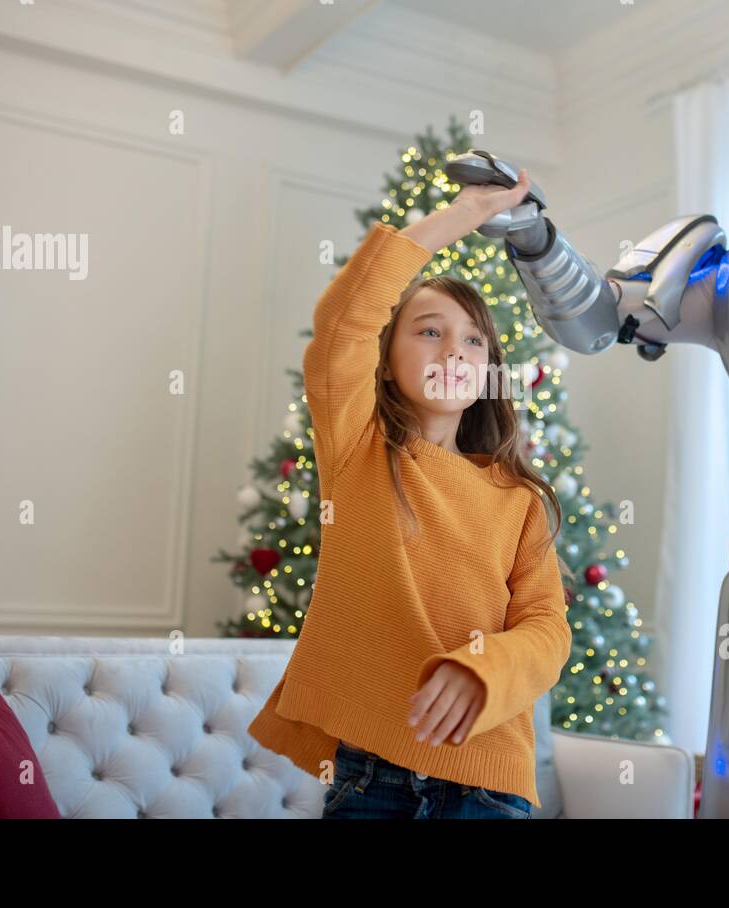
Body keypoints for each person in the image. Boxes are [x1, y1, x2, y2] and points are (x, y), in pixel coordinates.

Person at [246, 166, 574, 819]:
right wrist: (467, 211)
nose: (454, 349)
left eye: (473, 340)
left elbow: (547, 632)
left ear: (488, 373)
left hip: (490, 785)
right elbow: (344, 320)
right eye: (429, 330)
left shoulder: (520, 499)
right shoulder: (359, 451)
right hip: (372, 781)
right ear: (387, 360)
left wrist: (482, 665)